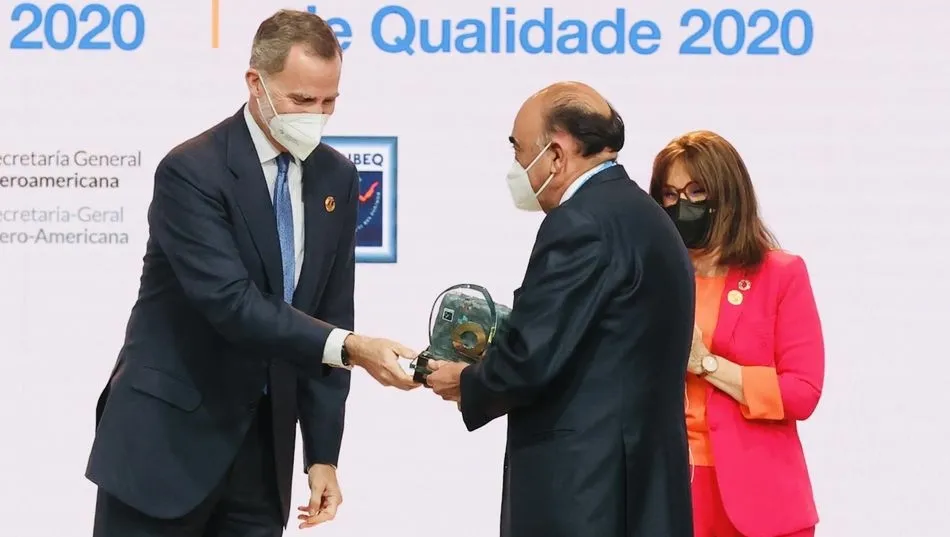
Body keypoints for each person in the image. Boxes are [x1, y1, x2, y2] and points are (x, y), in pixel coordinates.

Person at [85, 10, 419, 537]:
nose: (317, 114)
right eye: (301, 100)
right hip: (164, 447)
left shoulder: (337, 175)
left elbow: (329, 313)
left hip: (262, 460)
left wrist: (322, 454)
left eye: (329, 101)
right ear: (255, 84)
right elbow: (234, 305)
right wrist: (355, 347)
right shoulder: (191, 171)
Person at [425, 82, 695, 537]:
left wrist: (467, 381)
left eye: (518, 151)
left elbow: (532, 358)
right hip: (640, 487)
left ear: (556, 155)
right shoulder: (643, 214)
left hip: (585, 493)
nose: (515, 167)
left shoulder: (581, 222)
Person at [651, 130, 824, 537]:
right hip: (670, 486)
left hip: (761, 499)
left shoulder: (781, 274)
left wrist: (706, 365)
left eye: (697, 192)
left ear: (728, 196)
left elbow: (802, 392)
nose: (683, 206)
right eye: (671, 196)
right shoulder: (653, 280)